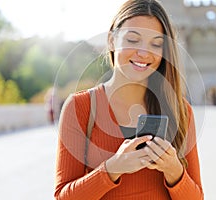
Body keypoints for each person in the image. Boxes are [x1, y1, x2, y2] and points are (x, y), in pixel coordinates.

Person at [54, 0, 204, 199]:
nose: (144, 53)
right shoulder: (80, 107)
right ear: (111, 41)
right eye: (133, 40)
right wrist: (112, 169)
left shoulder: (181, 111)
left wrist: (174, 171)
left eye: (156, 44)